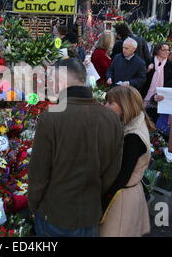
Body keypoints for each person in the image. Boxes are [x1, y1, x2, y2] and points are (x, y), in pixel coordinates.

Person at [28, 58, 123, 237]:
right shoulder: (110, 117)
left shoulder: (52, 117)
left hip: (56, 214)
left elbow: (38, 172)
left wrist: (34, 204)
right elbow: (113, 170)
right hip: (90, 211)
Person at [101, 86, 154, 237]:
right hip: (128, 192)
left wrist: (103, 196)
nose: (105, 106)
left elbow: (121, 175)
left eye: (110, 103)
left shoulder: (133, 137)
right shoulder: (136, 123)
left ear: (125, 106)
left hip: (121, 199)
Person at [141, 43, 172, 122]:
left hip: (161, 94)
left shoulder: (171, 65)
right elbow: (141, 77)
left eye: (168, 50)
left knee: (155, 117)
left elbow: (170, 81)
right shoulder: (149, 61)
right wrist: (148, 70)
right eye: (164, 50)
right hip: (146, 92)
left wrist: (164, 93)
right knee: (142, 114)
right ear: (157, 50)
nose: (166, 52)